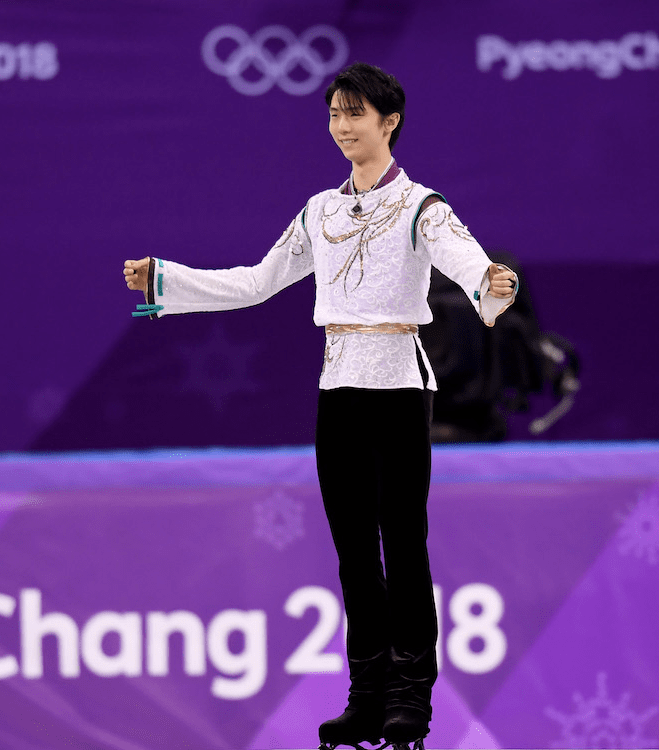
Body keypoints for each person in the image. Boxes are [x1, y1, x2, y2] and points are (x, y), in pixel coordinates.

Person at [123, 62, 515, 750]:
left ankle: (409, 702)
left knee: (405, 542)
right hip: (337, 390)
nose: (342, 127)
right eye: (335, 114)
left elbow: (467, 262)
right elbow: (255, 282)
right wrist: (166, 280)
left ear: (388, 121)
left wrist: (492, 284)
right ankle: (364, 698)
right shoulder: (320, 210)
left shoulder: (424, 206)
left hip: (398, 386)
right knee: (354, 553)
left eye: (355, 114)